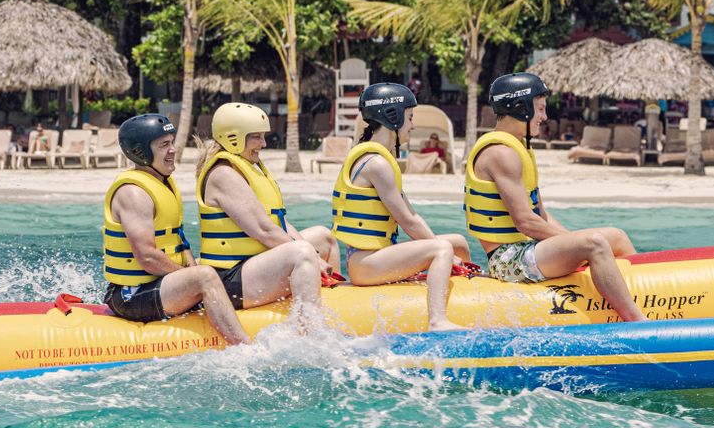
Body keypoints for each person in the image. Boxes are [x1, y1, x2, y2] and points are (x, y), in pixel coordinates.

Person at [464, 72, 646, 322]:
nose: (545, 117)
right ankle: (636, 321)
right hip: (507, 261)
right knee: (594, 243)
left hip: (528, 250)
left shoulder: (519, 150)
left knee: (615, 236)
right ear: (521, 108)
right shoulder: (500, 153)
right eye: (539, 109)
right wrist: (578, 243)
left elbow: (542, 216)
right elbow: (525, 223)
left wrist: (572, 243)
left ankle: (648, 293)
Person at [331, 83, 472, 331]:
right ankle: (438, 320)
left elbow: (413, 217)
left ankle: (470, 297)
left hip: (373, 258)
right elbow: (408, 222)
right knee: (442, 249)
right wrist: (444, 254)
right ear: (392, 117)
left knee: (457, 241)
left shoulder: (378, 159)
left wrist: (451, 253)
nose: (413, 125)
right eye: (409, 118)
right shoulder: (376, 163)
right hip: (366, 265)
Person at [102, 113, 248, 343]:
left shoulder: (164, 183)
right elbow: (147, 256)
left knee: (210, 267)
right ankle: (245, 347)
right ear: (141, 152)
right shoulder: (134, 193)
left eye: (172, 143)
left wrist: (192, 269)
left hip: (158, 285)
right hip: (130, 296)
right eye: (164, 145)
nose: (173, 150)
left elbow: (179, 240)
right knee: (204, 276)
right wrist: (191, 277)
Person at [195, 102, 332, 318]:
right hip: (230, 280)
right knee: (302, 253)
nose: (263, 143)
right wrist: (313, 259)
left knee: (324, 238)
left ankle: (331, 299)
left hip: (254, 265)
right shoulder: (223, 174)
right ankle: (310, 332)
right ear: (234, 137)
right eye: (256, 137)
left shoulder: (248, 167)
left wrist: (316, 254)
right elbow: (264, 231)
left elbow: (279, 223)